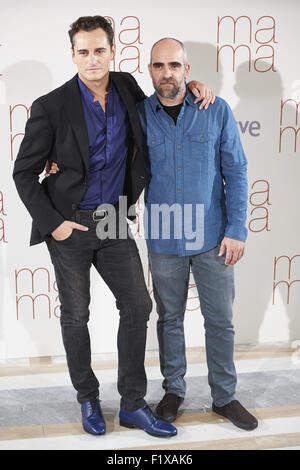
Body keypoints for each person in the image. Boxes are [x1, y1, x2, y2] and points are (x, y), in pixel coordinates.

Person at [13, 16, 214, 438]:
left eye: (99, 50)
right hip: (70, 225)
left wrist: (195, 88)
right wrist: (56, 225)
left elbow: (164, 101)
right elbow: (23, 173)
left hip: (114, 219)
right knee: (76, 314)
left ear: (111, 51)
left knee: (138, 306)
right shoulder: (50, 105)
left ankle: (132, 404)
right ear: (72, 55)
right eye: (83, 52)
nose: (92, 59)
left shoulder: (126, 87)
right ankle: (87, 397)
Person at [136, 38, 258, 431]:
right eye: (158, 65)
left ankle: (225, 396)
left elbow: (236, 172)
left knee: (220, 321)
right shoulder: (138, 115)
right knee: (169, 318)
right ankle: (173, 390)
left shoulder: (215, 109)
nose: (166, 73)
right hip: (163, 237)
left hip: (213, 236)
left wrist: (237, 229)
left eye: (174, 65)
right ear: (149, 69)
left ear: (187, 70)